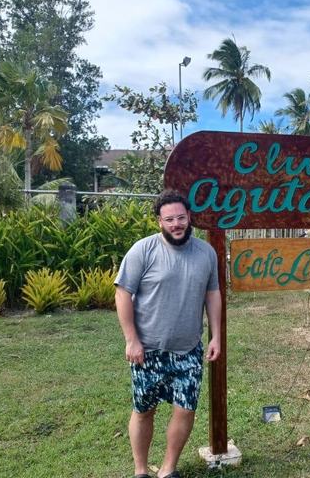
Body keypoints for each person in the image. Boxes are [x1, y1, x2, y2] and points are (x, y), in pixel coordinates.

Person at [115, 189, 222, 478]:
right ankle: (140, 471)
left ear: (190, 217)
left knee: (185, 410)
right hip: (148, 350)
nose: (177, 224)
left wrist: (216, 336)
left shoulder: (206, 253)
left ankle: (167, 469)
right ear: (160, 221)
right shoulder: (143, 250)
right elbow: (123, 293)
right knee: (143, 410)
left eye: (181, 217)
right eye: (170, 219)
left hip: (189, 349)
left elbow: (212, 293)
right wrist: (131, 340)